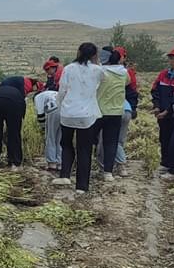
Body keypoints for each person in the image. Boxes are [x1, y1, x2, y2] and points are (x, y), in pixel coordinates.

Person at [53, 43, 105, 194]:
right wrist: (96, 62)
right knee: (84, 149)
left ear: (78, 52)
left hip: (68, 113)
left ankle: (65, 175)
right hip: (87, 115)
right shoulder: (97, 70)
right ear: (94, 55)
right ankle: (82, 186)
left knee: (66, 144)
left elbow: (62, 90)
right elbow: (100, 81)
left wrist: (60, 104)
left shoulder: (69, 68)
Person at [0, 76, 41, 170]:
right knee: (14, 133)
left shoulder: (5, 86)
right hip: (14, 102)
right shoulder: (19, 93)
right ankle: (14, 163)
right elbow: (21, 114)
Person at [95, 48, 130, 182]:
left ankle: (93, 166)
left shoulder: (101, 71)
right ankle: (108, 172)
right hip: (116, 112)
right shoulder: (124, 73)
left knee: (92, 140)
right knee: (112, 143)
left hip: (100, 111)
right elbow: (127, 83)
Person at [151, 47, 174, 173]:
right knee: (164, 138)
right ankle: (165, 162)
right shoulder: (163, 74)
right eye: (170, 58)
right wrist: (156, 106)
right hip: (162, 114)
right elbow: (155, 91)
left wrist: (168, 110)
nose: (172, 61)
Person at [34, 86, 62, 170]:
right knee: (60, 138)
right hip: (65, 110)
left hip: (53, 110)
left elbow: (40, 115)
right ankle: (60, 163)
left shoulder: (37, 97)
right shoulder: (51, 93)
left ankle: (52, 163)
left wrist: (43, 128)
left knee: (51, 137)